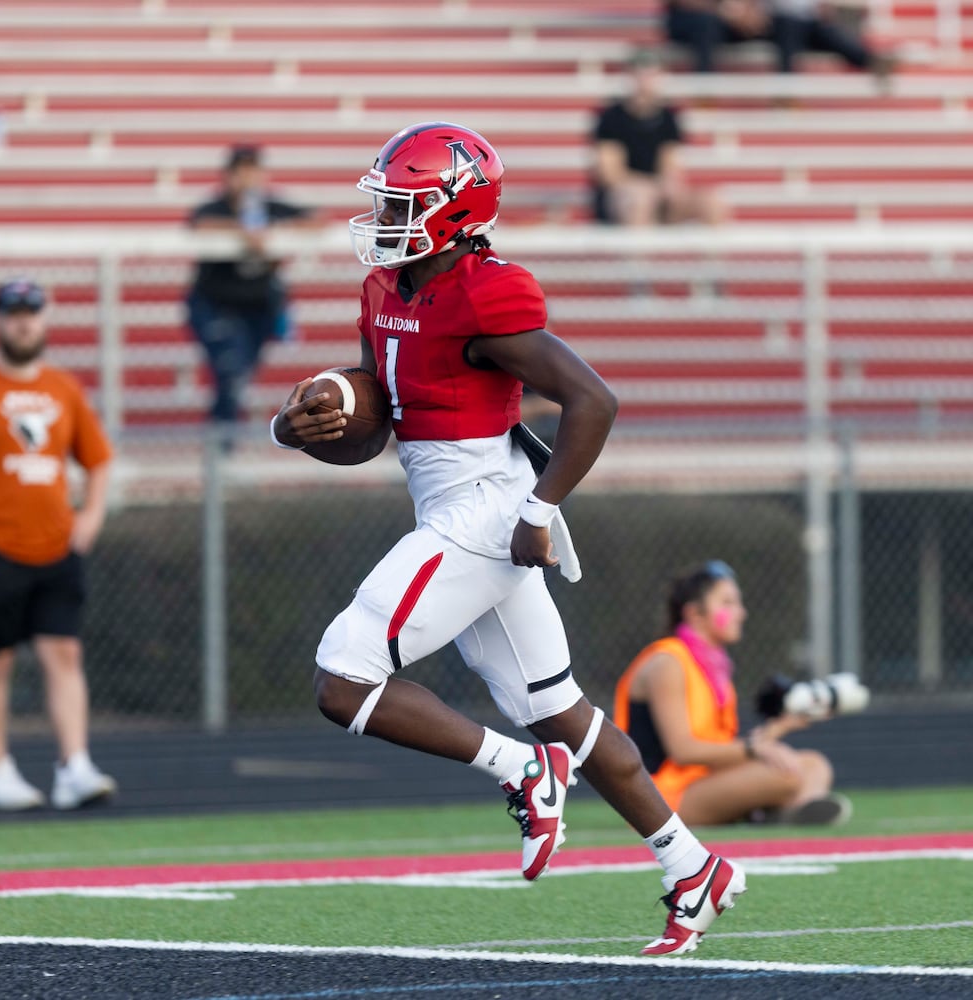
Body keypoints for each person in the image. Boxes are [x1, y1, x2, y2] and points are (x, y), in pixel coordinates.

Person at [271, 122, 746, 957]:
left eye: (403, 201)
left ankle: (521, 770)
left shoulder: (485, 292)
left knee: (343, 678)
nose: (385, 214)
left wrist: (539, 507)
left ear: (455, 210)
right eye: (385, 199)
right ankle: (690, 863)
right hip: (450, 509)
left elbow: (591, 400)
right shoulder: (385, 289)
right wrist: (297, 428)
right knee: (555, 708)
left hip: (486, 510)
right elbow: (377, 430)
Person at [0, 279, 119, 812]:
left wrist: (91, 516)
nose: (23, 322)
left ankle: (74, 766)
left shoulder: (62, 386)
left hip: (55, 543)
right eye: (13, 313)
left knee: (64, 651)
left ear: (45, 317)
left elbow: (98, 458)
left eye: (30, 312)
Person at [615, 561, 850, 826]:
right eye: (727, 603)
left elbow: (720, 748)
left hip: (704, 781)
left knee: (814, 765)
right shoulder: (667, 662)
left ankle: (783, 813)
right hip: (660, 797)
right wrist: (756, 749)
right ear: (695, 614)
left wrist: (779, 728)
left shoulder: (714, 666)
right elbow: (683, 751)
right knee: (788, 774)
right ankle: (774, 811)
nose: (741, 613)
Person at [186, 144, 310, 426]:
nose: (247, 180)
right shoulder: (216, 208)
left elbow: (315, 219)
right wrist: (243, 231)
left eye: (253, 172)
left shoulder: (271, 207)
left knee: (238, 376)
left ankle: (223, 442)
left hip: (257, 307)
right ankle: (222, 444)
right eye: (241, 173)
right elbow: (199, 224)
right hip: (217, 305)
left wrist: (275, 233)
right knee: (230, 371)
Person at [592, 50, 723, 227]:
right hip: (621, 197)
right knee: (640, 199)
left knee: (712, 202)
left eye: (651, 74)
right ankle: (636, 254)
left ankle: (713, 254)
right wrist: (649, 186)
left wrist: (667, 186)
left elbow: (671, 165)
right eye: (640, 74)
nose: (645, 80)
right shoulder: (611, 117)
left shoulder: (668, 117)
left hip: (656, 194)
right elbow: (610, 174)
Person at [663, 0, 767, 74]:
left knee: (781, 23)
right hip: (688, 21)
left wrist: (749, 15)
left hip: (729, 21)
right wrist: (723, 9)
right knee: (707, 23)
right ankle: (704, 86)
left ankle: (782, 89)